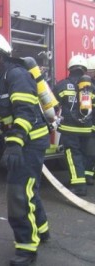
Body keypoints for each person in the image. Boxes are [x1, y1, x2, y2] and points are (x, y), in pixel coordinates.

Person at [0, 32, 51, 266]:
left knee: (18, 192)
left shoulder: (17, 75)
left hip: (30, 140)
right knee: (27, 188)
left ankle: (27, 248)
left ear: (2, 55)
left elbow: (25, 111)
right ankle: (42, 229)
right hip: (17, 139)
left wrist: (16, 143)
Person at [53, 55, 93, 196]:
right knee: (82, 154)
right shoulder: (91, 87)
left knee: (72, 155)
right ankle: (79, 179)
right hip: (87, 129)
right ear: (84, 70)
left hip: (70, 129)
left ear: (70, 69)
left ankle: (79, 186)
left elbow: (52, 104)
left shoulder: (63, 85)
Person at [84, 55, 95, 186]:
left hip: (92, 125)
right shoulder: (89, 86)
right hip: (92, 125)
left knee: (90, 153)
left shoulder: (89, 87)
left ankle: (88, 175)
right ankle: (89, 175)